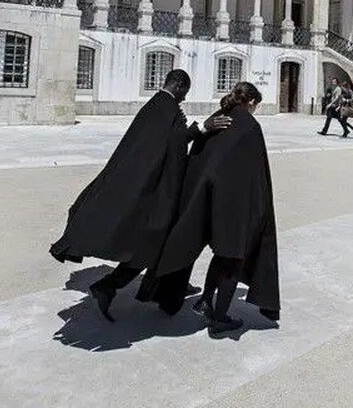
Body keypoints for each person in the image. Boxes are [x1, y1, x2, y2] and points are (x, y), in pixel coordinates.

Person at [49, 69, 230, 321]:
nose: (184, 98)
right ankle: (110, 286)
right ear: (178, 85)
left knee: (158, 243)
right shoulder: (164, 107)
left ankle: (166, 286)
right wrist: (202, 128)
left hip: (150, 188)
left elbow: (167, 141)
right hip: (152, 191)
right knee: (151, 245)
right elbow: (174, 141)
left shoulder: (160, 105)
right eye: (184, 92)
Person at [148, 81, 280, 336]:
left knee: (222, 254)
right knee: (233, 257)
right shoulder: (250, 126)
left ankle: (206, 300)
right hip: (235, 204)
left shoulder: (217, 118)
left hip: (206, 198)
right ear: (252, 102)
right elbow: (255, 174)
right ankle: (219, 318)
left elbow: (200, 156)